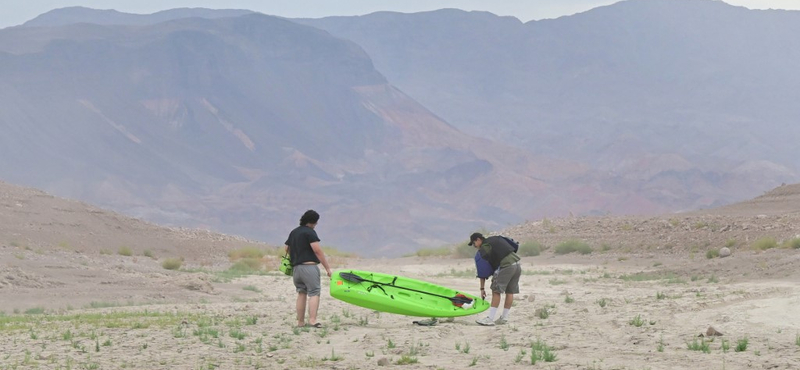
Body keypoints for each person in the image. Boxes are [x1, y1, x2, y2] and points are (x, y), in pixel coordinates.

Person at [284, 210, 332, 328]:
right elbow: (317, 250)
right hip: (309, 267)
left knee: (301, 293)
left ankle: (300, 322)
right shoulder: (310, 233)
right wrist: (327, 268)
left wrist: (296, 256)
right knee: (314, 292)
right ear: (314, 221)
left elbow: (286, 248)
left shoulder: (294, 232)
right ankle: (312, 320)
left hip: (296, 268)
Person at [469, 232, 522, 326]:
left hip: (507, 266)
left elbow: (483, 270)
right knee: (510, 292)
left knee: (496, 291)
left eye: (474, 244)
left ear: (478, 240)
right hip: (517, 265)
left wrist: (482, 288)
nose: (474, 246)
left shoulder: (484, 248)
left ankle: (490, 318)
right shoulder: (494, 239)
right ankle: (504, 318)